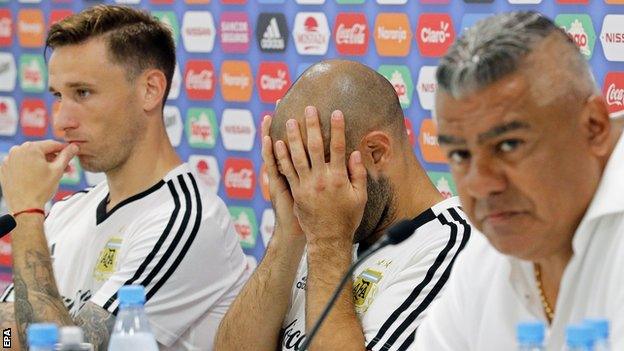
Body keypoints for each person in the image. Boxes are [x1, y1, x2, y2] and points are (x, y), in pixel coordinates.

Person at [0, 5, 249, 350]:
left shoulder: (187, 219)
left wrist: (27, 214)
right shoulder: (68, 211)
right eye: (58, 95)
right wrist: (9, 338)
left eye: (82, 93)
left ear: (150, 90)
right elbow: (7, 331)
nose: (61, 122)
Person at [215, 59, 472, 351]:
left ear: (375, 153)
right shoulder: (317, 230)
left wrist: (329, 239)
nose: (303, 194)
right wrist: (287, 236)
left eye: (313, 170)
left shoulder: (454, 248)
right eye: (291, 175)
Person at [414, 11, 624, 349]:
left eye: (509, 145)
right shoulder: (485, 253)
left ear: (594, 127)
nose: (480, 185)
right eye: (460, 155)